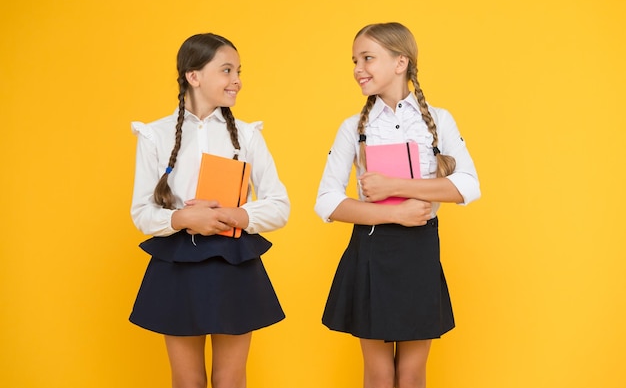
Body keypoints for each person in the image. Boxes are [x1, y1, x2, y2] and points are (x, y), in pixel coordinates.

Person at [315, 22, 480, 388]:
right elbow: (326, 202)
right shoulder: (351, 127)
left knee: (411, 374)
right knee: (378, 374)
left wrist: (396, 186)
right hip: (370, 250)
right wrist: (394, 212)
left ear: (400, 61)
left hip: (419, 251)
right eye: (355, 60)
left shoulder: (439, 120)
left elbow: (468, 185)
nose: (358, 68)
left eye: (368, 58)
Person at [129, 33, 290, 388]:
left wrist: (232, 216)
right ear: (194, 76)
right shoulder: (154, 135)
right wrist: (183, 218)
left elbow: (279, 206)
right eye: (227, 70)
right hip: (177, 265)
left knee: (231, 380)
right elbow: (141, 213)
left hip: (234, 262)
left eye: (238, 71)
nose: (237, 81)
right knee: (187, 381)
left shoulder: (247, 136)